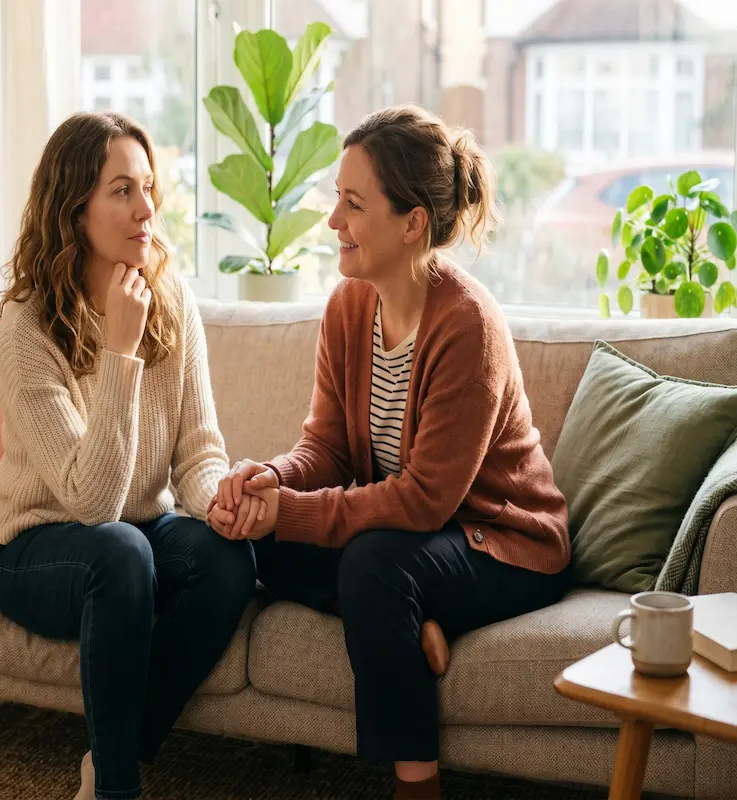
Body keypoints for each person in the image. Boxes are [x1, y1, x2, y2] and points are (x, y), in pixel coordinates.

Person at [207, 104, 572, 800]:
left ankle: (417, 785)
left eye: (352, 203)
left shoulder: (468, 324)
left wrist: (290, 511)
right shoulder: (350, 304)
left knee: (374, 564)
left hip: (502, 542)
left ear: (412, 224)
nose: (332, 222)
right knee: (251, 541)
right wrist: (270, 483)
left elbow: (424, 499)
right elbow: (329, 448)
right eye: (335, 200)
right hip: (419, 542)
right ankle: (411, 627)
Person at [0, 110, 258, 800]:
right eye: (122, 191)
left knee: (227, 559)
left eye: (148, 188)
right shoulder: (27, 326)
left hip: (134, 536)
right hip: (37, 549)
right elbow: (91, 502)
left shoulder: (169, 296)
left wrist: (220, 498)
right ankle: (118, 791)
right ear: (74, 209)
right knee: (120, 550)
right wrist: (118, 350)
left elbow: (199, 451)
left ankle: (114, 759)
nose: (147, 210)